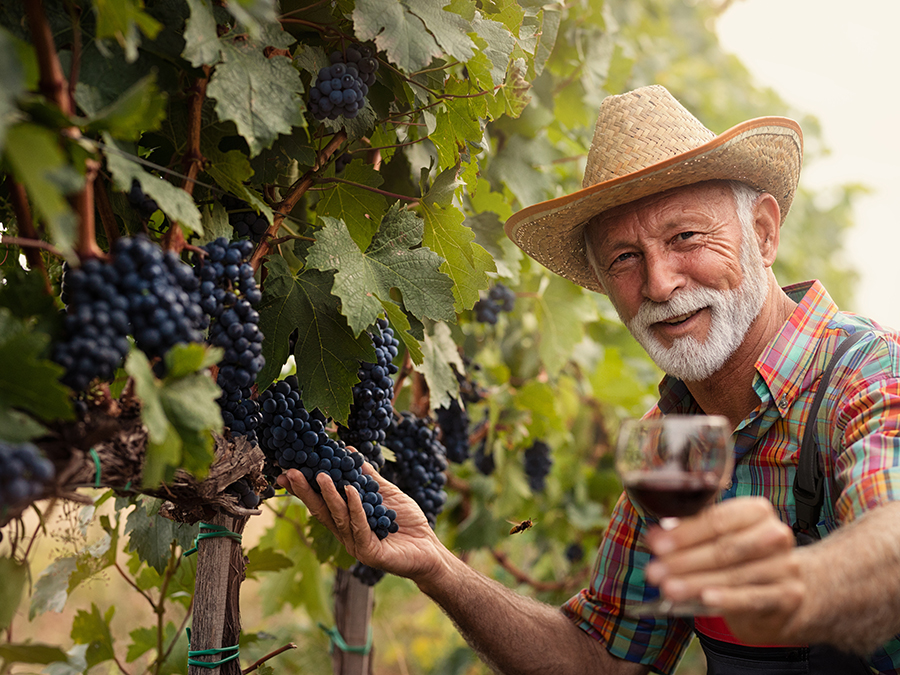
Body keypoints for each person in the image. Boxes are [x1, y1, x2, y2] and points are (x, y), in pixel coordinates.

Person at [278, 85, 900, 674]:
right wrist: (436, 565)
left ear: (762, 233)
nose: (659, 284)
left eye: (686, 237)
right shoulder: (674, 441)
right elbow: (601, 659)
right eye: (625, 260)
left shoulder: (869, 373)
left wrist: (795, 584)